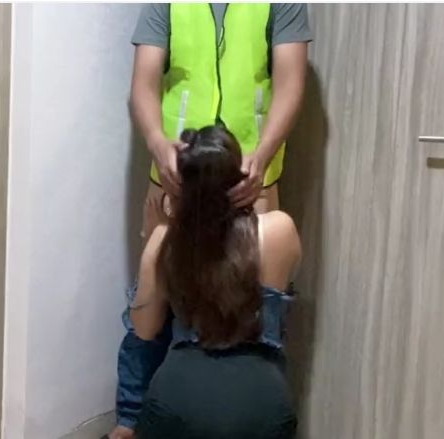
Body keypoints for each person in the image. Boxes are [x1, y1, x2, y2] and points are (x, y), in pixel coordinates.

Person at [110, 4, 311, 437]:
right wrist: (157, 143)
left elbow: (291, 83)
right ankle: (134, 418)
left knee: (252, 309)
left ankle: (232, 415)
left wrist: (264, 155)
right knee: (159, 301)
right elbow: (143, 85)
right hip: (178, 179)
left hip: (249, 179)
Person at [131, 125, 302, 437]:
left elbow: (144, 330)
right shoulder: (280, 229)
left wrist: (155, 242)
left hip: (178, 397)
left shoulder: (166, 241)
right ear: (240, 178)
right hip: (262, 402)